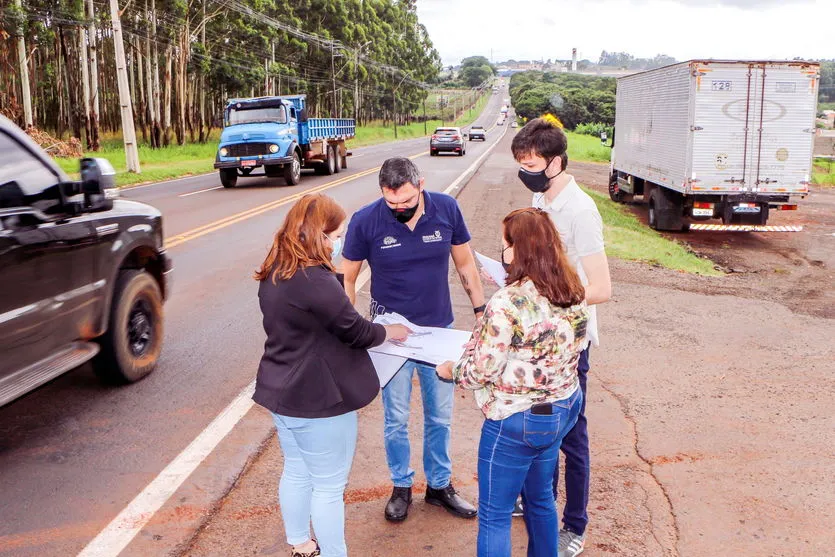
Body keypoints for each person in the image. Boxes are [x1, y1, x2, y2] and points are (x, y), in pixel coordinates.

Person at [252, 194, 411, 557]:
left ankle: (301, 543)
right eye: (335, 234)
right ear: (319, 234)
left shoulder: (277, 268)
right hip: (318, 398)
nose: (338, 242)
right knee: (328, 486)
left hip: (281, 389)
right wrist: (391, 332)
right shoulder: (314, 279)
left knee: (296, 469)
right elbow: (355, 330)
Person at [436, 207, 589, 557]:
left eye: (505, 244)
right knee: (541, 502)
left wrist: (451, 371)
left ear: (519, 249)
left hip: (516, 418)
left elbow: (482, 371)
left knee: (494, 515)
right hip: (562, 407)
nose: (502, 251)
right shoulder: (572, 288)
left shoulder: (507, 302)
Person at [341, 157, 485, 522]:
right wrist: (350, 327)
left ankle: (439, 486)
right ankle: (401, 486)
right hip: (392, 335)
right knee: (396, 417)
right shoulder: (365, 221)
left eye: (406, 201)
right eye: (393, 203)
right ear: (382, 193)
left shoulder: (447, 209)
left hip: (439, 332)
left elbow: (465, 264)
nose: (400, 208)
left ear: (420, 184)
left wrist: (481, 311)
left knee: (440, 416)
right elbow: (347, 278)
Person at [511, 118, 613, 557]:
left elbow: (602, 288)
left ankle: (575, 525)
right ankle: (540, 504)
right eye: (520, 162)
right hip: (539, 338)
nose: (525, 169)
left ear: (555, 160)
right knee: (541, 426)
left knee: (571, 435)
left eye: (531, 162)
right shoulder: (540, 196)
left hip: (571, 342)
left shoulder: (580, 211)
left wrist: (551, 299)